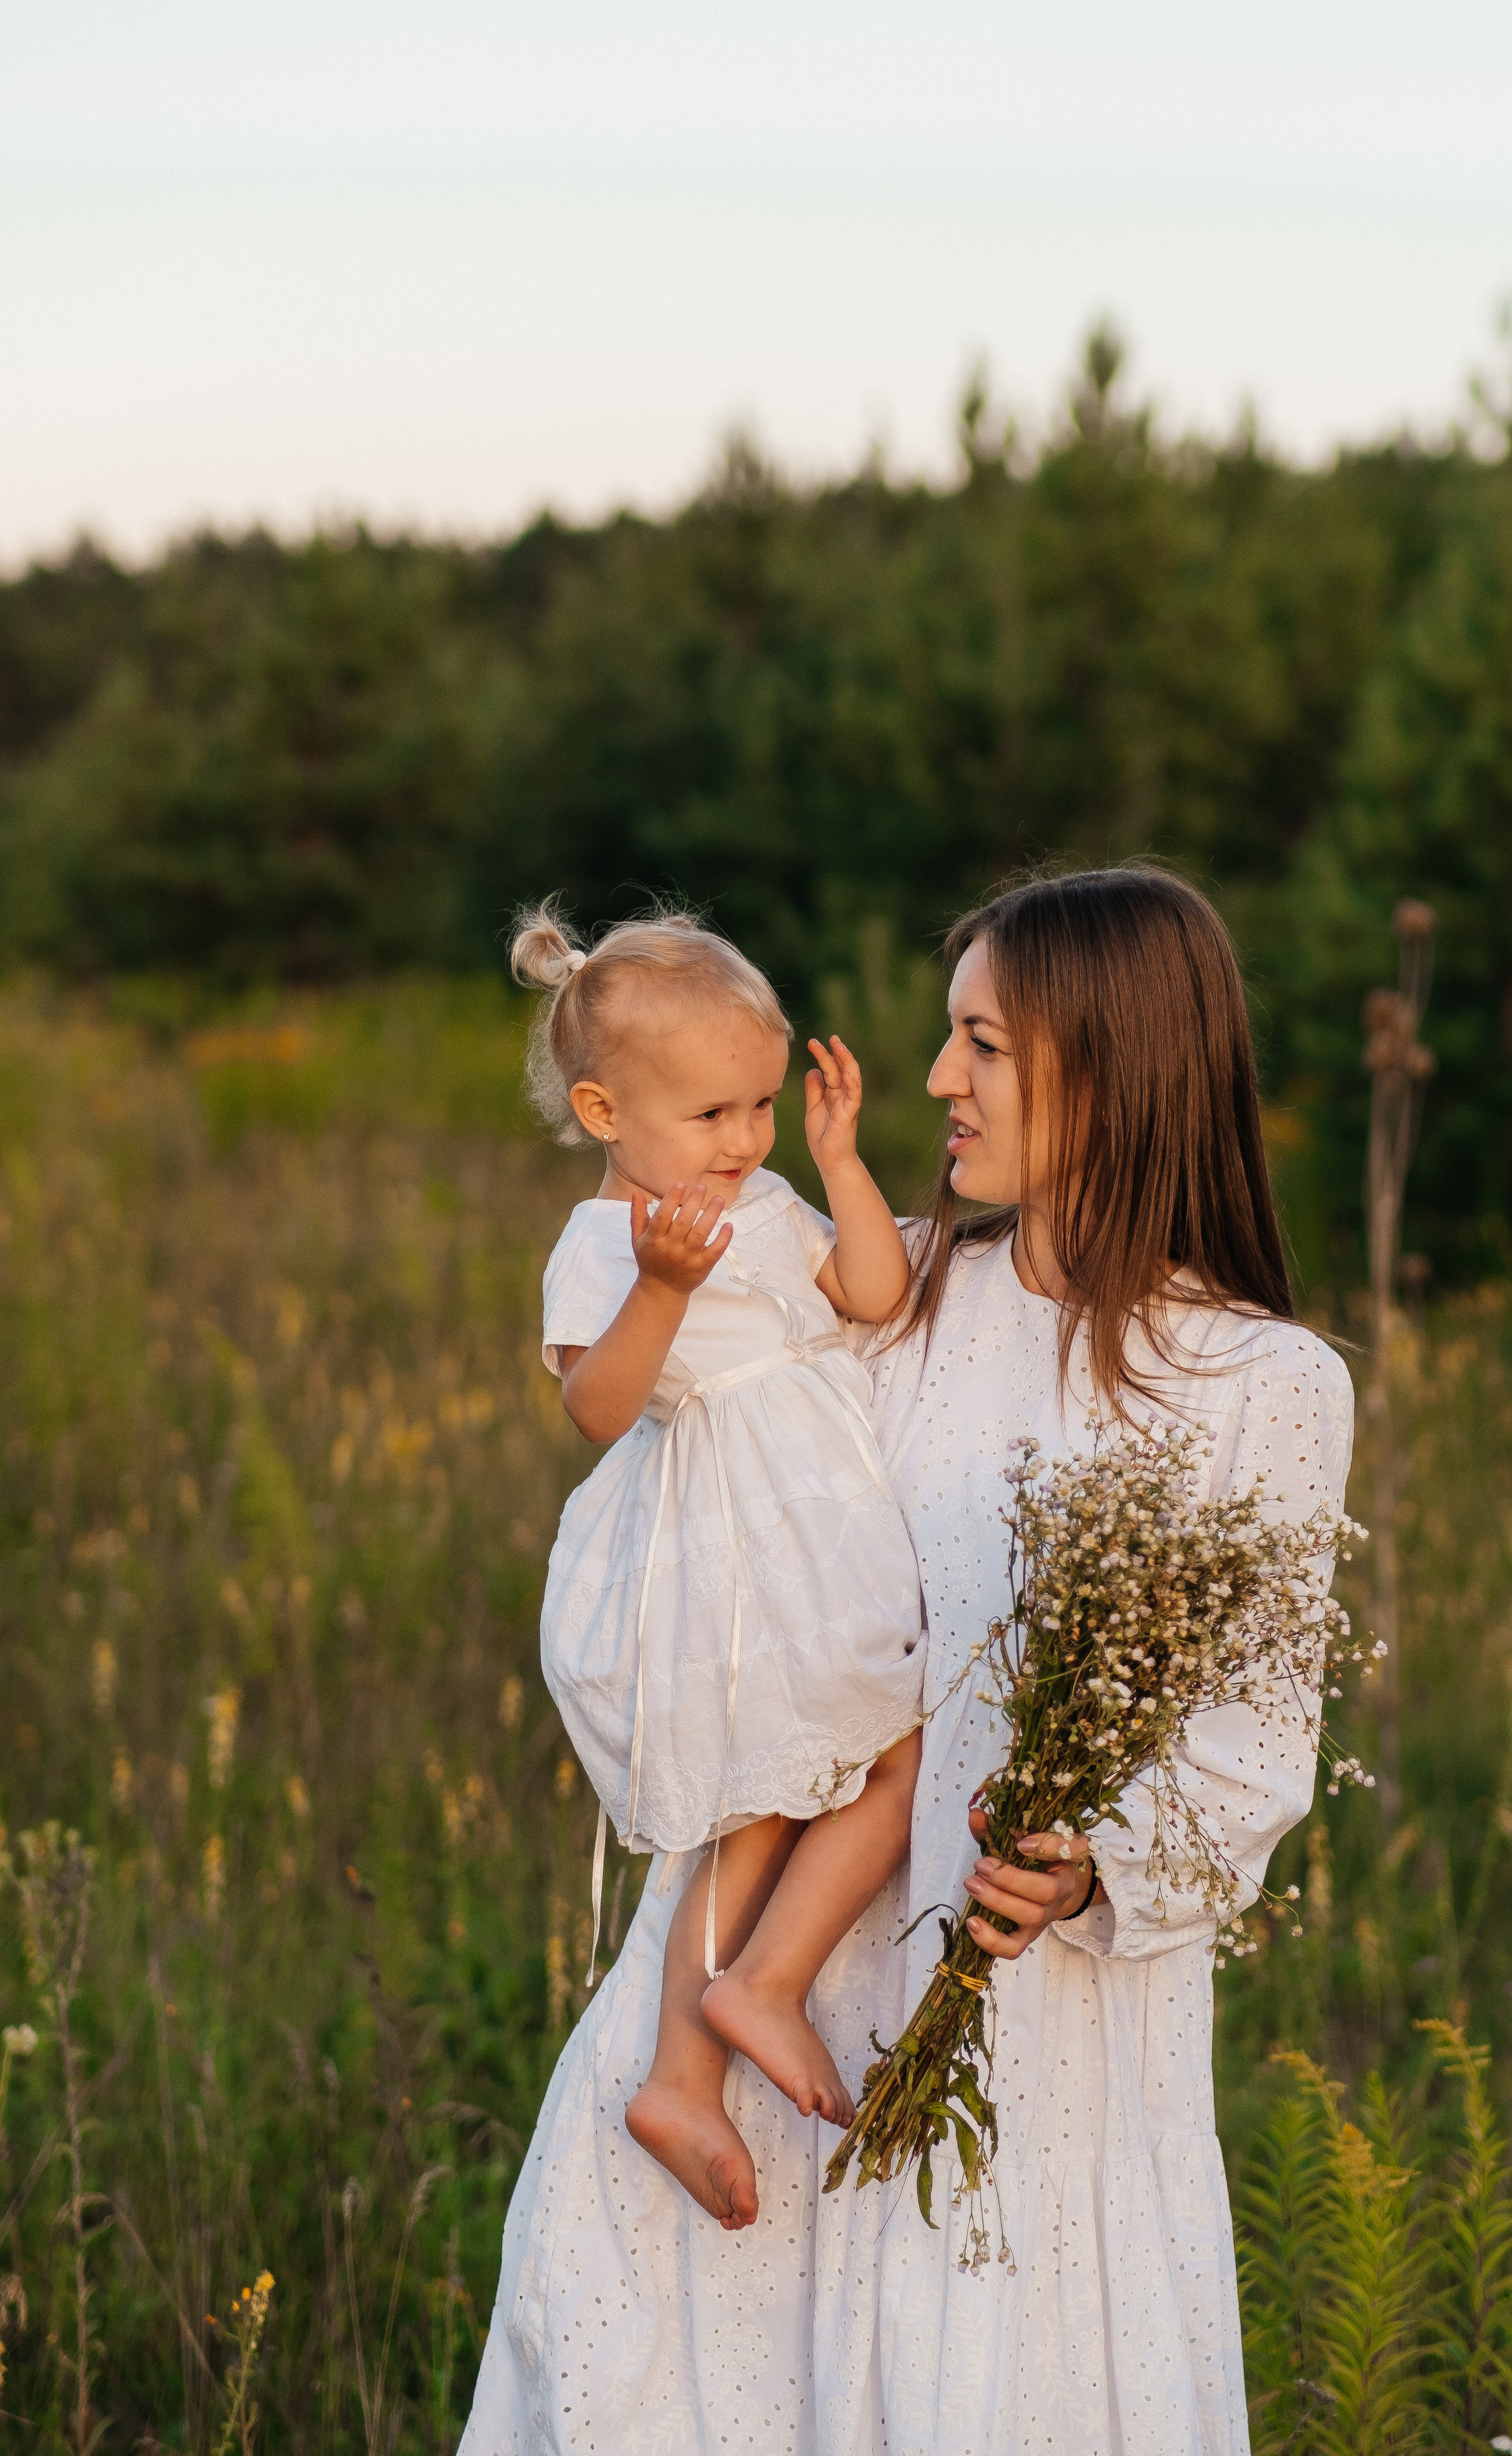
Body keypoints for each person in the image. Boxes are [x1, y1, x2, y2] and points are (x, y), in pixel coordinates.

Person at [463, 866, 1354, 2456]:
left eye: (982, 1045)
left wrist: (1086, 1866)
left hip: (1025, 2044)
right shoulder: (874, 1291)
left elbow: (1253, 1752)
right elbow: (694, 1509)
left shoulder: (1262, 1384)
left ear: (1117, 1068)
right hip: (755, 2010)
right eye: (951, 1037)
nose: (938, 1076)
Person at [510, 903, 925, 2236]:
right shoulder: (605, 1247)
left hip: (818, 1536)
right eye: (711, 1115)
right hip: (734, 1557)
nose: (745, 1138)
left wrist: (839, 1164)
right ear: (604, 1112)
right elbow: (598, 1408)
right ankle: (744, 2007)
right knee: (811, 1784)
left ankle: (692, 2066)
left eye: (761, 1105)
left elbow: (875, 1294)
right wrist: (662, 1289)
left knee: (825, 1780)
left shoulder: (767, 1196)